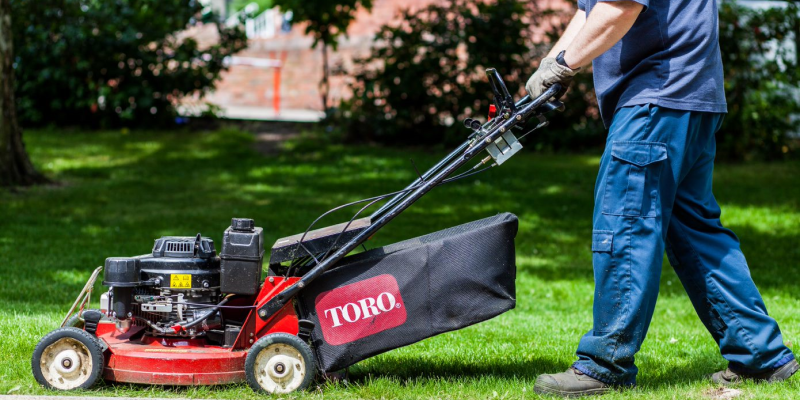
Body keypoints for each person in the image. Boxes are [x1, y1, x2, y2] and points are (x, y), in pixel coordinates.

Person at [525, 0, 798, 396]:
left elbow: (620, 7)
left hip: (656, 97)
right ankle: (762, 355)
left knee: (625, 227)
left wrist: (565, 64)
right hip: (689, 98)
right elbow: (591, 10)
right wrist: (550, 64)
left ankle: (606, 363)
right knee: (696, 233)